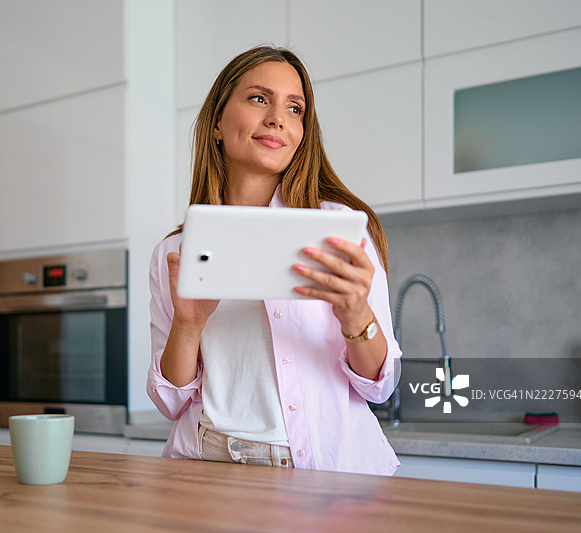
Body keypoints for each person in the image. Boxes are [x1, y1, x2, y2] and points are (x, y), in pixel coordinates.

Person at [146, 46, 401, 475]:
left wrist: (356, 315)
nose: (278, 118)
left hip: (322, 476)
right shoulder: (174, 253)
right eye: (259, 99)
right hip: (206, 467)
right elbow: (171, 402)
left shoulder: (337, 230)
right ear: (216, 124)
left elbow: (380, 385)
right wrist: (188, 326)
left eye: (295, 108)